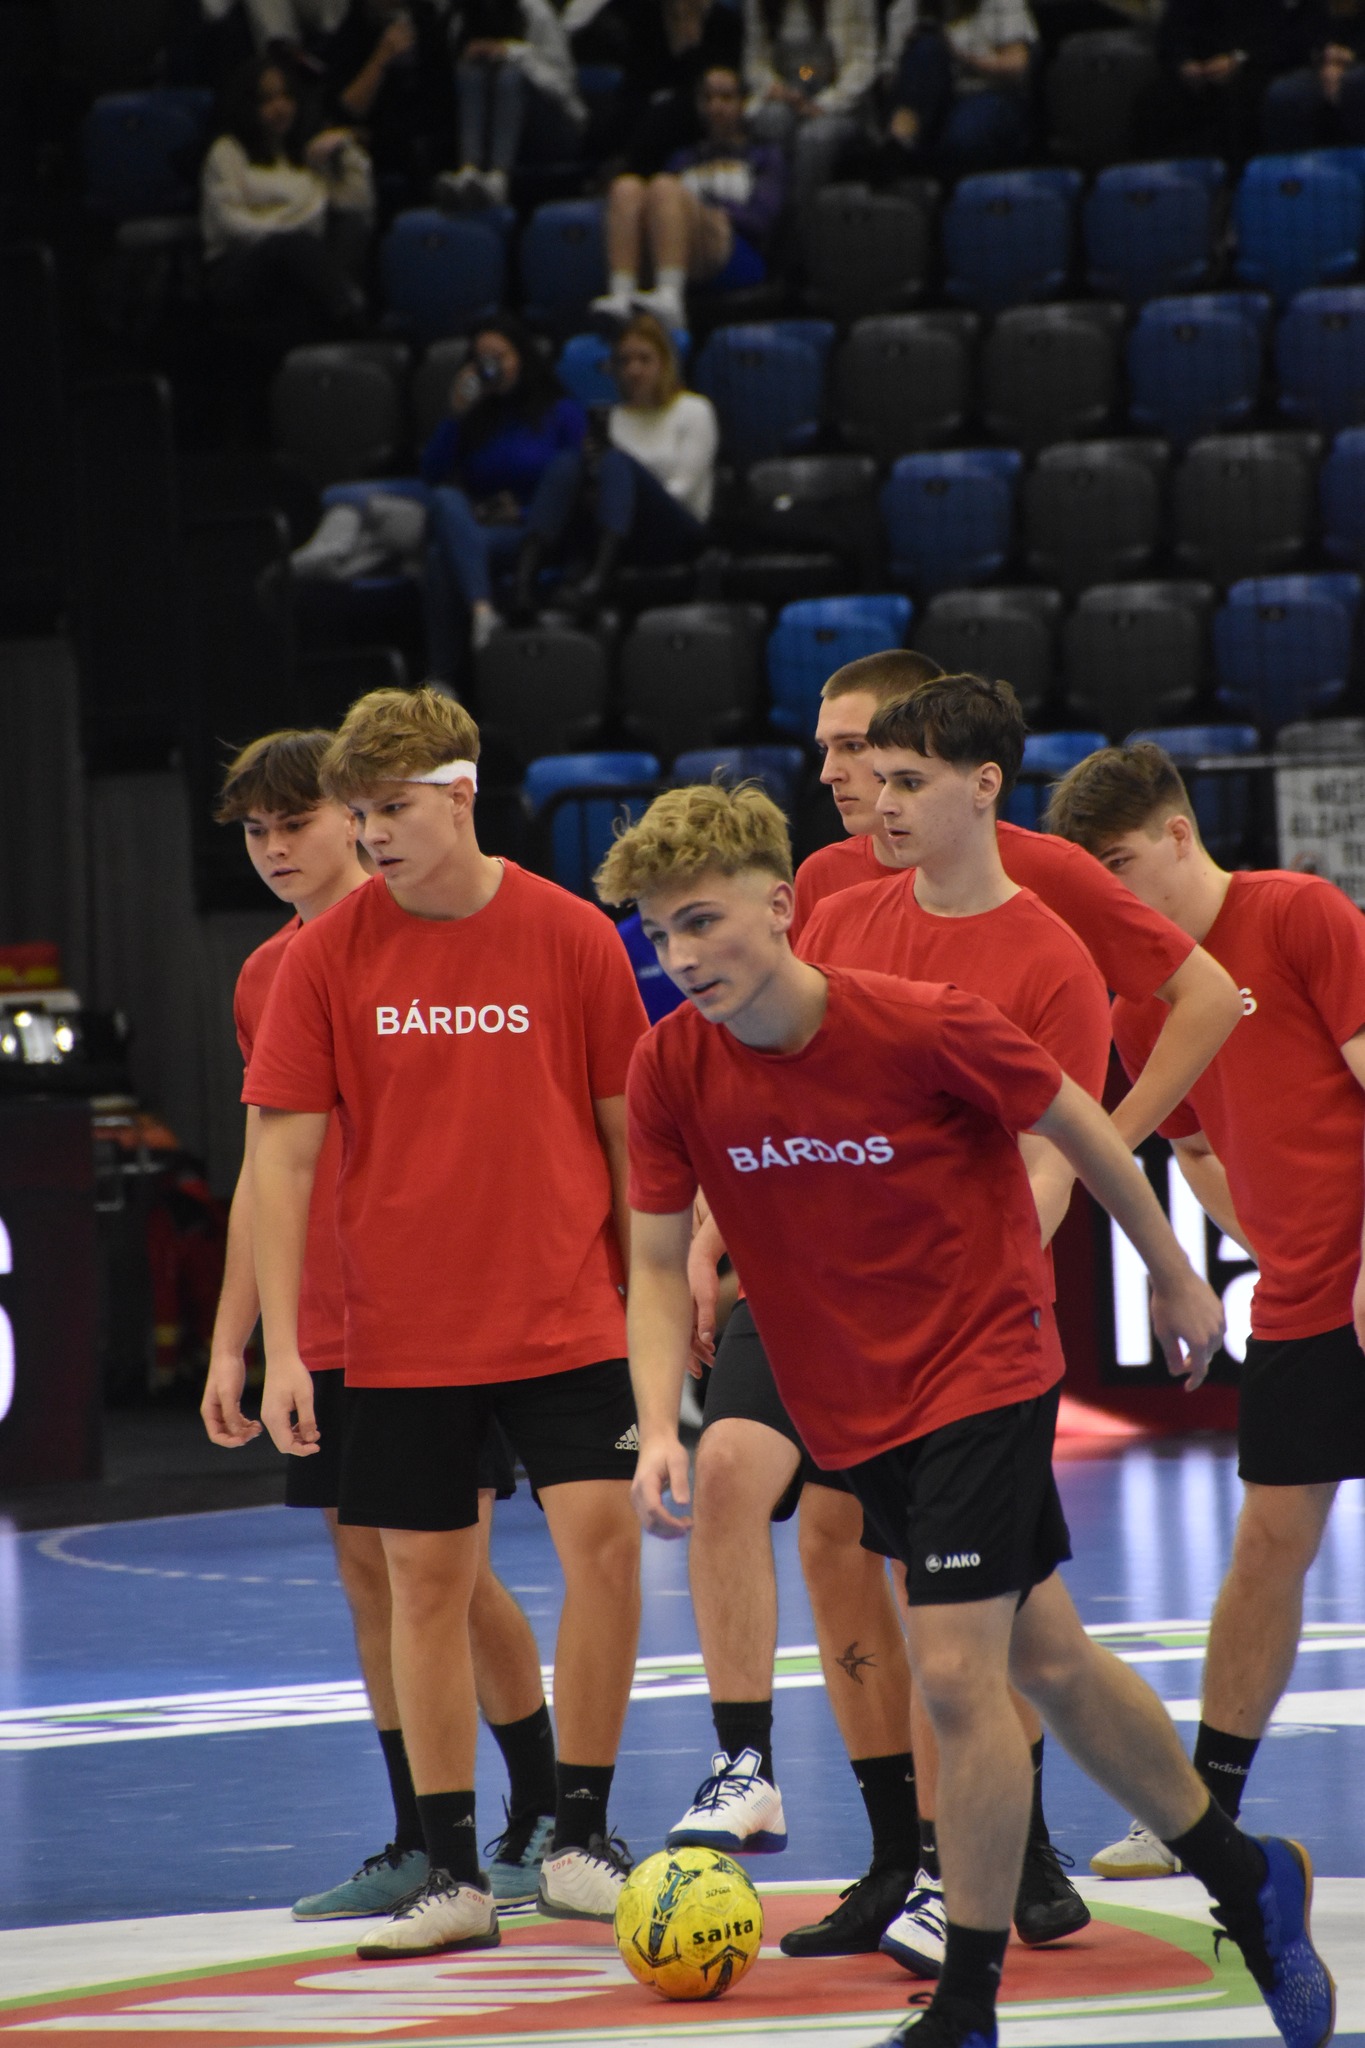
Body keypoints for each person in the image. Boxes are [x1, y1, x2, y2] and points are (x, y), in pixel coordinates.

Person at [600, 778, 1334, 2048]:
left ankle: (967, 2004)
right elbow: (659, 1262)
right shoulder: (671, 1066)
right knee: (1047, 1658)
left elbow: (1079, 1123)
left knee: (954, 1670)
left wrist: (1170, 1268)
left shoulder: (916, 1021)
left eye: (703, 921)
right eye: (662, 935)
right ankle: (1244, 1872)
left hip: (983, 1361)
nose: (684, 956)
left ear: (779, 907)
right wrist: (660, 1421)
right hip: (855, 1401)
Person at [671, 648, 1243, 1937]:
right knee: (815, 1529)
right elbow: (770, 1074)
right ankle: (878, 1839)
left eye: (872, 755)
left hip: (958, 1309)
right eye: (836, 755)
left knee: (992, 1632)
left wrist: (1095, 1163)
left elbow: (1180, 1016)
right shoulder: (830, 898)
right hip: (818, 1270)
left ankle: (988, 1865)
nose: (848, 779)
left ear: (965, 774)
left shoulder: (1041, 896)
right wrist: (710, 1225)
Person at [246, 686, 648, 1957]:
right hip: (403, 1329)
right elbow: (281, 1160)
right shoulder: (326, 954)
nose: (371, 834)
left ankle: (581, 1832)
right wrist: (280, 1345)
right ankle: (455, 1870)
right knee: (424, 1584)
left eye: (392, 809)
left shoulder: (571, 933)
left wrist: (653, 1297)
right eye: (358, 812)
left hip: (568, 1312)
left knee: (607, 1549)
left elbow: (628, 1137)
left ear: (461, 793)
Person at [203, 730, 560, 1919]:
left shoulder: (432, 934)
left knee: (451, 1574)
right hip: (327, 1317)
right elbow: (265, 1167)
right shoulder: (268, 974)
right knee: (369, 1572)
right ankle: (419, 1834)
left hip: (437, 1308)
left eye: (294, 822)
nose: (274, 849)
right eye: (256, 831)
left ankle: (543, 1807)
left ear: (355, 817)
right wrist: (237, 1338)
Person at [1045, 741, 1365, 1887]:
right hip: (1300, 1302)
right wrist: (1283, 1250)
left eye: (1121, 866)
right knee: (1266, 1547)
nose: (1112, 900)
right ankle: (1204, 1813)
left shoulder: (1298, 912)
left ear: (1179, 834)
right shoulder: (1140, 1003)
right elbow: (1195, 1154)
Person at [526, 312, 719, 615]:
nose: (634, 370)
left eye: (644, 360)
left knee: (616, 461)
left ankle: (598, 578)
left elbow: (683, 489)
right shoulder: (611, 419)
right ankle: (526, 578)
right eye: (625, 361)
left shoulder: (693, 410)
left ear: (664, 363)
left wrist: (627, 492)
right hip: (622, 533)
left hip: (676, 528)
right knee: (568, 462)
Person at [419, 316, 587, 653]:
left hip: (540, 530)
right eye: (482, 359)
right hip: (487, 530)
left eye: (499, 357)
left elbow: (577, 480)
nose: (490, 368)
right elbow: (431, 474)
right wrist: (456, 415)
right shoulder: (476, 417)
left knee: (441, 556)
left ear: (521, 358)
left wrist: (522, 512)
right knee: (445, 500)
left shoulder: (561, 411)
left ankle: (452, 667)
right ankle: (481, 615)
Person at [592, 66, 787, 327]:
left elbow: (762, 219)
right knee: (625, 188)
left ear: (743, 104)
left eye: (726, 98)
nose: (716, 106)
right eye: (708, 98)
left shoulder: (764, 156)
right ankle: (621, 294)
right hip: (682, 246)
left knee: (664, 187)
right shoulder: (683, 158)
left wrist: (711, 212)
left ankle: (670, 297)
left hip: (738, 251)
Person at [201, 53, 374, 338]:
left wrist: (345, 147)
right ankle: (354, 320)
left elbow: (358, 205)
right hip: (241, 263)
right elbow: (228, 223)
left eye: (285, 97)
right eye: (267, 100)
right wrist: (284, 235)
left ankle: (343, 315)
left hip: (306, 259)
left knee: (352, 226)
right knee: (294, 246)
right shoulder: (227, 151)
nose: (279, 107)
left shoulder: (307, 152)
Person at [437, 0, 586, 211]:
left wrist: (511, 52)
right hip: (491, 127)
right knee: (470, 73)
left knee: (509, 77)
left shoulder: (536, 13)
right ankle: (469, 171)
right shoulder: (460, 16)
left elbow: (562, 85)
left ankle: (499, 179)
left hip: (554, 123)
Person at [742, 0, 876, 228]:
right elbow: (756, 63)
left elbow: (863, 64)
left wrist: (823, 104)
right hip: (786, 94)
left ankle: (799, 234)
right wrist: (778, 90)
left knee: (813, 138)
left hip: (840, 100)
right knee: (772, 120)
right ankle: (766, 224)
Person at [878, 0, 1038, 176]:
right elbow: (890, 79)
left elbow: (1018, 66)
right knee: (925, 46)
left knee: (961, 138)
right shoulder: (903, 8)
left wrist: (961, 57)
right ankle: (901, 142)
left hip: (987, 90)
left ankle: (909, 156)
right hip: (926, 98)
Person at [1261, 0, 1365, 148]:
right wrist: (1326, 61)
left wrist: (1350, 57)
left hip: (1358, 62)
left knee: (1353, 84)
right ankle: (1294, 159)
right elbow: (1307, 38)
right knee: (1282, 93)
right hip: (1321, 67)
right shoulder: (1313, 7)